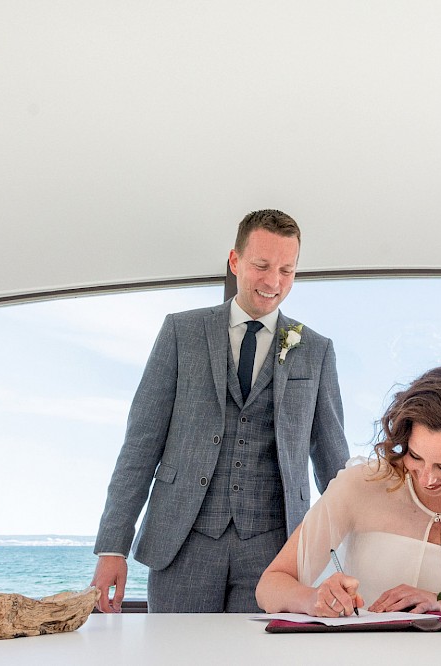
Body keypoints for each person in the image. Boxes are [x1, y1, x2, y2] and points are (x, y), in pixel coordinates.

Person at [91, 209, 350, 613]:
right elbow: (140, 445)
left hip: (275, 553)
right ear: (235, 261)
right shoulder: (181, 333)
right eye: (261, 266)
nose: (273, 282)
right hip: (183, 542)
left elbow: (334, 465)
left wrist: (358, 555)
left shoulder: (316, 351)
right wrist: (112, 546)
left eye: (287, 270)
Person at [255, 366, 441, 616]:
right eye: (416, 457)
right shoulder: (360, 485)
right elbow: (270, 586)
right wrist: (313, 599)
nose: (428, 479)